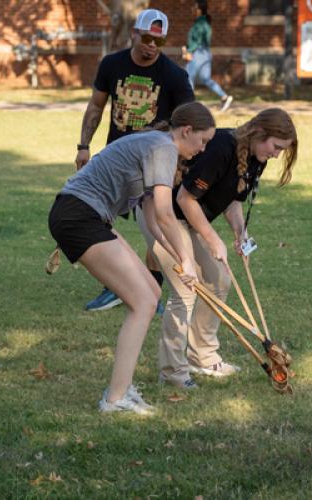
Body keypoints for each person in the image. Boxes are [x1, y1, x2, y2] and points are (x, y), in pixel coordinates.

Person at [49, 101, 216, 414]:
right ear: (186, 130)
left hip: (87, 216)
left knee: (152, 294)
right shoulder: (163, 148)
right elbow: (167, 214)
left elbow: (154, 222)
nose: (203, 149)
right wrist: (188, 260)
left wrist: (177, 261)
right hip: (78, 215)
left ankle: (122, 389)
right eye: (203, 141)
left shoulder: (157, 148)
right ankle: (115, 399)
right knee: (142, 303)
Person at [136, 108, 298, 388]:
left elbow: (232, 199)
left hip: (187, 219)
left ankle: (203, 357)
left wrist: (239, 232)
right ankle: (173, 373)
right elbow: (186, 198)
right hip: (163, 215)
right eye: (276, 147)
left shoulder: (255, 157)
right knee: (186, 288)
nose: (276, 154)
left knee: (219, 279)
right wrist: (212, 239)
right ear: (260, 134)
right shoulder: (221, 147)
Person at [76, 8, 195, 313]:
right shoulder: (112, 64)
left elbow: (190, 122)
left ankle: (152, 288)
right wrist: (83, 146)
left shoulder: (175, 76)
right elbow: (95, 107)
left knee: (153, 225)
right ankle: (115, 285)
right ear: (134, 33)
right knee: (99, 217)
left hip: (154, 161)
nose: (152, 45)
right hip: (116, 159)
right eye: (146, 38)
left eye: (160, 40)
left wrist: (180, 163)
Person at [182, 0, 233, 113]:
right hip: (205, 53)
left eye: (194, 7)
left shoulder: (200, 23)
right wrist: (187, 48)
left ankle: (188, 105)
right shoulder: (203, 22)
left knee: (188, 76)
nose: (192, 9)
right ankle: (225, 97)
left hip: (199, 53)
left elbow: (198, 41)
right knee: (206, 79)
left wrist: (189, 51)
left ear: (199, 9)